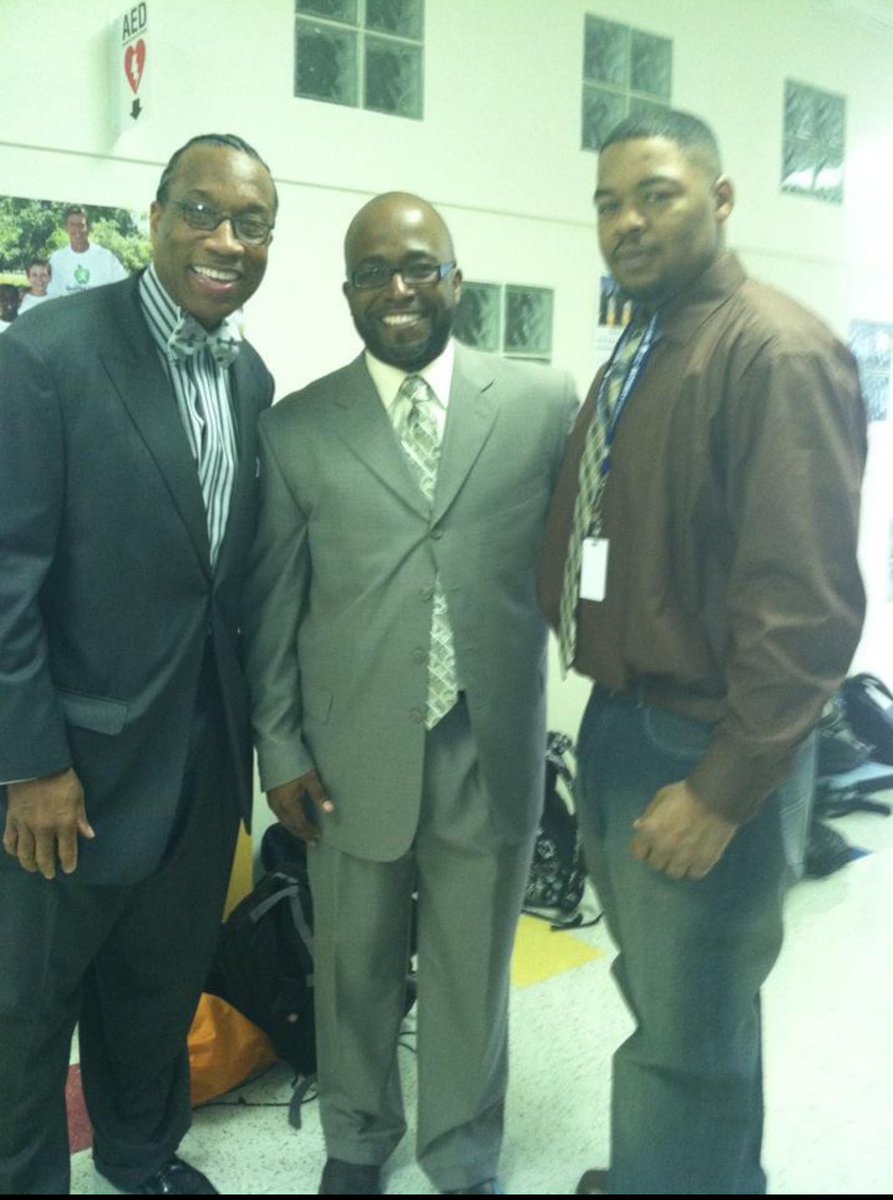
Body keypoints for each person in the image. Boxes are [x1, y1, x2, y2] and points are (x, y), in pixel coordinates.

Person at [538, 109, 866, 1196]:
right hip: (627, 718)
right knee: (687, 1007)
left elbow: (803, 606)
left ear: (719, 199)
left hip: (701, 741)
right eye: (606, 201)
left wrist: (722, 790)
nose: (625, 221)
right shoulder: (647, 340)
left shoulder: (769, 350)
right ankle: (678, 1175)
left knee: (686, 1027)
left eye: (656, 194)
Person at [244, 191, 577, 1196]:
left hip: (488, 741)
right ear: (347, 290)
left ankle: (462, 1150)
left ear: (454, 278)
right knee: (353, 966)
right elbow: (273, 605)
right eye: (374, 272)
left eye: (418, 267)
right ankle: (355, 1137)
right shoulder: (295, 426)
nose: (398, 289)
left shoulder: (539, 404)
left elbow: (578, 555)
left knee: (474, 964)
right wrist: (279, 748)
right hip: (348, 753)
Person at [0, 132, 277, 1195]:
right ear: (155, 217)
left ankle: (140, 1157)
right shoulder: (48, 352)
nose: (224, 240)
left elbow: (224, 585)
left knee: (156, 993)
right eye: (202, 212)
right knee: (27, 1014)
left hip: (202, 766)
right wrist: (27, 763)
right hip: (68, 776)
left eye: (249, 223)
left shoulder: (252, 377)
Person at [46, 205, 128, 296]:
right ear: (66, 228)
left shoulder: (106, 257)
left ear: (88, 228)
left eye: (81, 225)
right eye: (72, 225)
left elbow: (124, 287)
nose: (77, 230)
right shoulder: (57, 259)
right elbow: (49, 294)